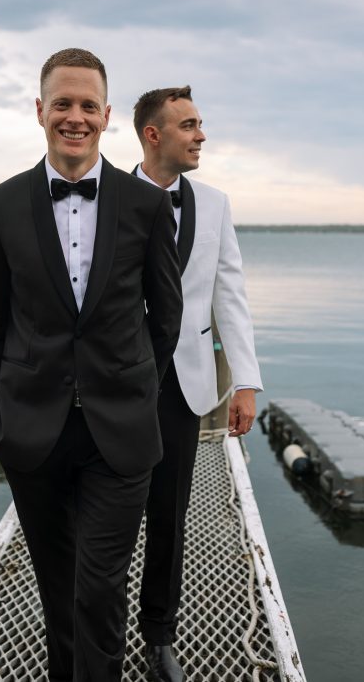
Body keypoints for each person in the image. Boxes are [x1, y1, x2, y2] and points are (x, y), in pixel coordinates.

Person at [0, 49, 183, 681]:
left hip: (119, 433)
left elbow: (165, 319)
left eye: (88, 105)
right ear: (40, 111)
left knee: (98, 589)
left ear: (107, 115)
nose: (75, 117)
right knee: (57, 590)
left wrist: (139, 391)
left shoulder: (144, 206)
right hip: (31, 430)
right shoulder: (0, 205)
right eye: (62, 103)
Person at [131, 85, 263, 682]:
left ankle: (159, 637)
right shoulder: (106, 197)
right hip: (111, 387)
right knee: (96, 514)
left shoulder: (213, 204)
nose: (201, 135)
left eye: (201, 123)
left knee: (170, 513)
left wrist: (245, 384)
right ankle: (93, 629)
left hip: (183, 383)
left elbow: (229, 294)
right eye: (188, 125)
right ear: (153, 134)